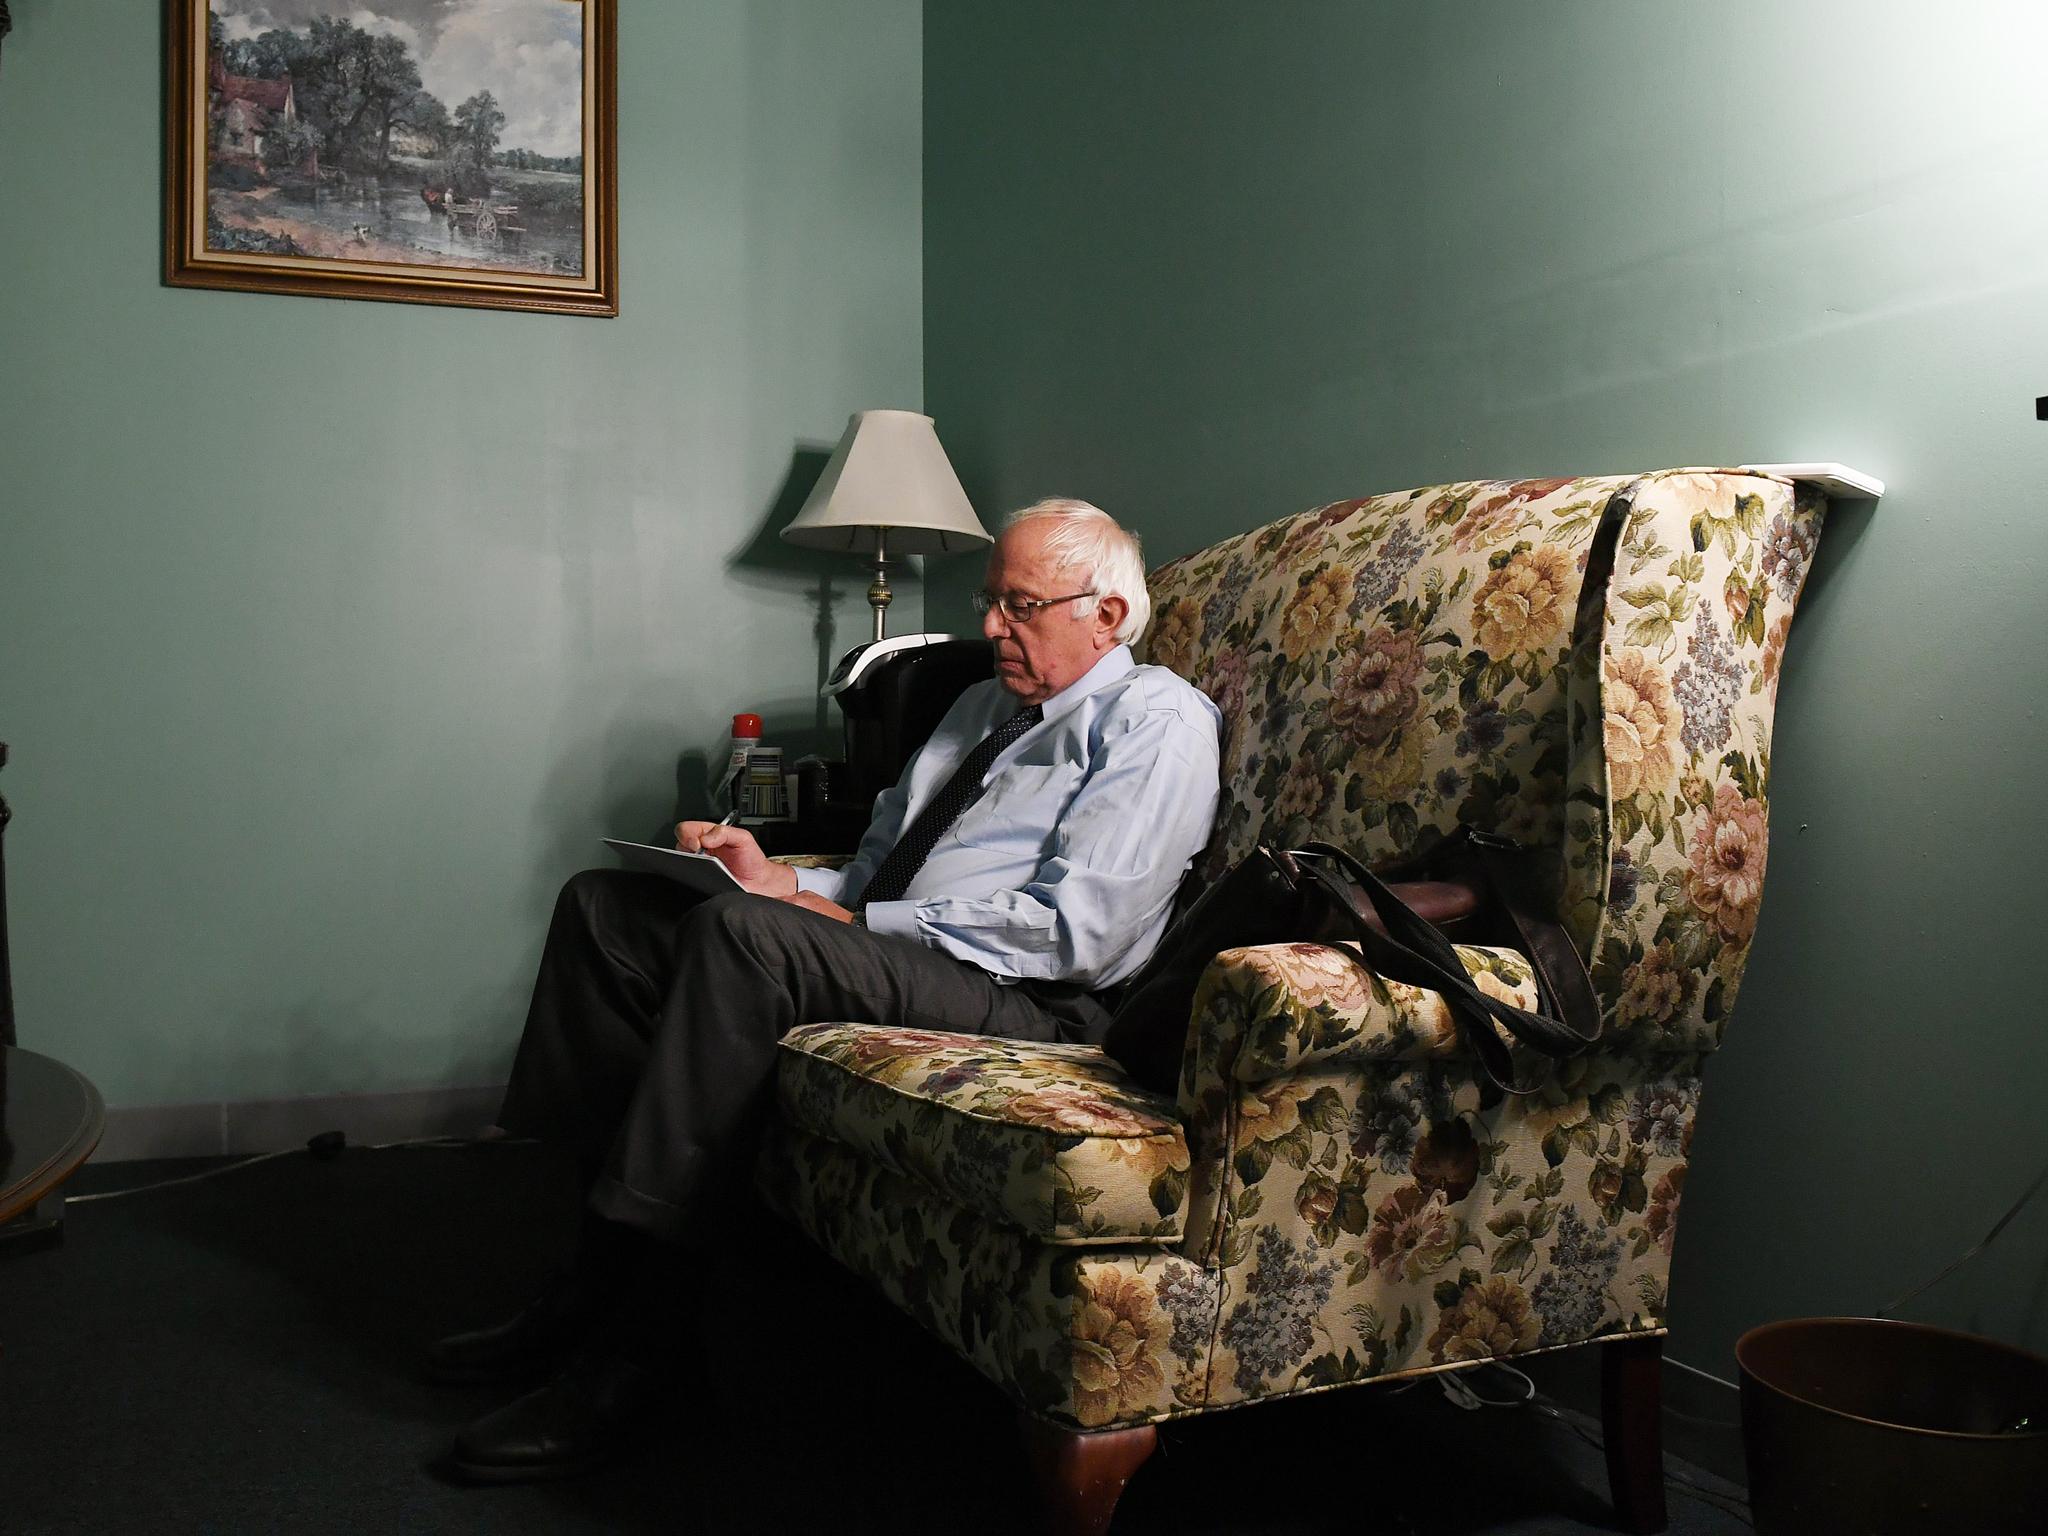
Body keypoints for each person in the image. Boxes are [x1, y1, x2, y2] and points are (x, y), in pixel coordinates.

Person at [436, 498, 1222, 1483]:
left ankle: (638, 1351)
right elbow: (875, 869)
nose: (989, 628)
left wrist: (845, 926)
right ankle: (586, 1285)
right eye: (991, 602)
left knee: (748, 944)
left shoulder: (1155, 720)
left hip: (1033, 999)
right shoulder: (979, 709)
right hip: (907, 951)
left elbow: (1077, 933)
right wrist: (778, 884)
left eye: (1018, 606)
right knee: (606, 907)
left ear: (1104, 616)